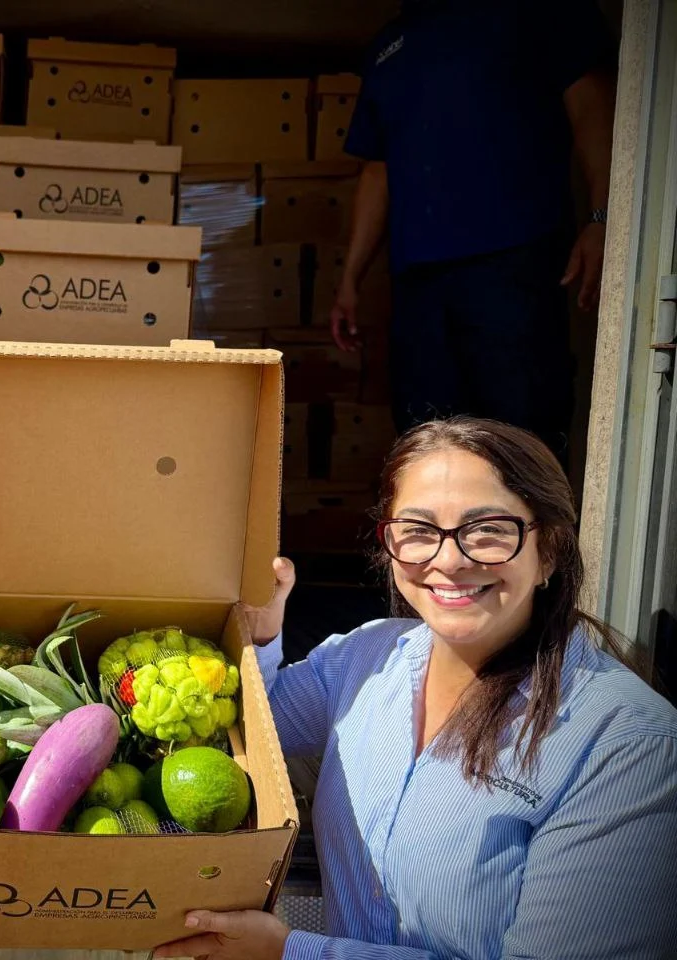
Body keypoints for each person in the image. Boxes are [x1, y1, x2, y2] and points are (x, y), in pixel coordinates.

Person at [156, 417, 677, 960]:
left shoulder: (628, 741)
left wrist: (291, 952)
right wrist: (257, 631)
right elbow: (248, 731)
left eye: (489, 530)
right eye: (420, 531)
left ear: (547, 551)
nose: (449, 560)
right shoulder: (365, 657)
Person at [329, 0, 617, 463]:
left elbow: (593, 108)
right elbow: (376, 171)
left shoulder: (542, 11)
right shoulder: (389, 45)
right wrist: (350, 280)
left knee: (522, 439)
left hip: (513, 264)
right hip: (418, 281)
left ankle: (533, 538)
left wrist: (604, 220)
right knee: (426, 442)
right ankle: (443, 536)